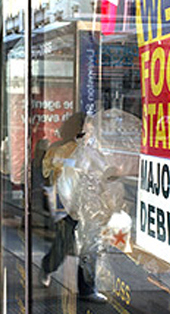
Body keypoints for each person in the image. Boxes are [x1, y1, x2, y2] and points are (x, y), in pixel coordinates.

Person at [38, 112, 107, 304]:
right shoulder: (59, 149)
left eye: (91, 128)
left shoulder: (93, 149)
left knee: (89, 247)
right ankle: (47, 266)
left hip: (88, 204)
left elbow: (102, 171)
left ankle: (87, 288)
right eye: (86, 127)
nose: (89, 131)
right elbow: (48, 172)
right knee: (63, 243)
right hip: (65, 203)